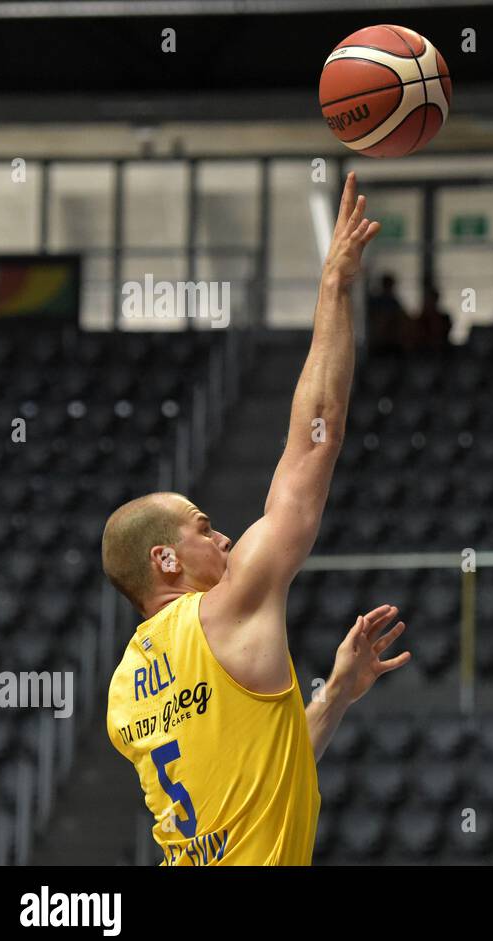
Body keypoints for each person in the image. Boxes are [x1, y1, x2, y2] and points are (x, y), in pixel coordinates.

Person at [102, 173, 407, 865]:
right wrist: (333, 287)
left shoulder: (125, 691)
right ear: (165, 561)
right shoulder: (230, 606)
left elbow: (257, 783)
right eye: (203, 528)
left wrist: (335, 697)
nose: (224, 537)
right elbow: (312, 447)